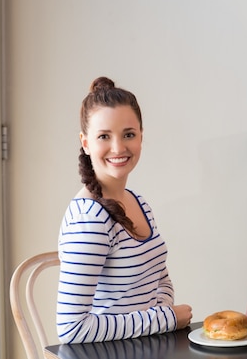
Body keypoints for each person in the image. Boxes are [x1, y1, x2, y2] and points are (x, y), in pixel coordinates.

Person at [56, 77, 192, 343]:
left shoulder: (138, 202)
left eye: (128, 134)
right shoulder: (90, 219)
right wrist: (165, 318)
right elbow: (71, 329)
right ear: (85, 143)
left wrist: (161, 315)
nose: (118, 148)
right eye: (104, 136)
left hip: (144, 346)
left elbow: (160, 279)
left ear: (141, 136)